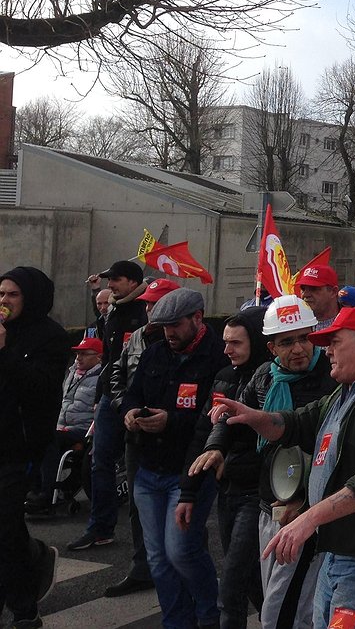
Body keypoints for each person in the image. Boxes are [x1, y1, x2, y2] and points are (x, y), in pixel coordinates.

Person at [210, 306, 355, 629]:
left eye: (334, 342)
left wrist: (307, 519)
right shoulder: (349, 390)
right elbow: (298, 423)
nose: (325, 350)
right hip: (342, 550)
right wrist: (253, 416)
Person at [195, 296, 336, 629]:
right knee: (276, 597)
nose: (299, 348)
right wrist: (216, 446)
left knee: (286, 611)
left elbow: (339, 449)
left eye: (305, 337)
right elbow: (234, 415)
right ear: (272, 347)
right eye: (287, 342)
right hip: (269, 504)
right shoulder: (262, 377)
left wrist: (307, 499)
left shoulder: (332, 377)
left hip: (310, 510)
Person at [120, 288, 227, 629]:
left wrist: (172, 420)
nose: (168, 332)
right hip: (148, 469)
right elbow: (131, 393)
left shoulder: (218, 359)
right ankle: (177, 621)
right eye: (163, 326)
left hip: (189, 473)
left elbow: (212, 419)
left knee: (181, 550)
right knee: (158, 558)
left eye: (175, 325)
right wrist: (130, 412)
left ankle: (210, 613)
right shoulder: (155, 354)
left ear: (197, 318)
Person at [180, 308, 272, 629]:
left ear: (258, 341)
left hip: (257, 494)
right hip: (227, 490)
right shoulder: (223, 377)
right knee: (250, 580)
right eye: (225, 342)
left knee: (230, 585)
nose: (227, 349)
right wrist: (188, 492)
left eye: (236, 343)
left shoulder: (274, 380)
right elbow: (205, 434)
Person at [91, 278, 179, 597]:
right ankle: (143, 566)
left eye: (157, 303)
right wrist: (122, 405)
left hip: (172, 439)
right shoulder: (138, 336)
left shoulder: (188, 342)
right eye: (147, 303)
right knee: (137, 504)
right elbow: (116, 372)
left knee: (174, 506)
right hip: (135, 432)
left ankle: (174, 567)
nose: (150, 309)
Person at [0, 266, 71, 629]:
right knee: (7, 533)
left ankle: (25, 610)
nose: (4, 302)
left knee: (5, 527)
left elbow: (40, 388)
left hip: (20, 447)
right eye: (0, 294)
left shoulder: (50, 337)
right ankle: (32, 555)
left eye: (12, 295)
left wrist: (5, 351)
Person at [71, 260, 148, 553]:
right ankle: (100, 527)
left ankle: (145, 543)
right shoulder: (114, 310)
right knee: (99, 461)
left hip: (135, 399)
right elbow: (108, 359)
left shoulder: (143, 311)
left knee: (137, 468)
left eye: (115, 280)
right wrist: (98, 398)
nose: (110, 285)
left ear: (132, 281)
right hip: (108, 398)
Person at [26, 337, 103, 514]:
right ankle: (34, 488)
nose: (79, 358)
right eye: (77, 354)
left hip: (84, 429)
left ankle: (47, 492)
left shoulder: (101, 378)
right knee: (39, 436)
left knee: (50, 439)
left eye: (84, 354)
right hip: (63, 427)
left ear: (98, 357)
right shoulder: (72, 374)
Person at [296, 264, 340, 331]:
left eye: (313, 288)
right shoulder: (292, 326)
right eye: (303, 289)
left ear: (333, 292)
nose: (305, 294)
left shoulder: (353, 325)